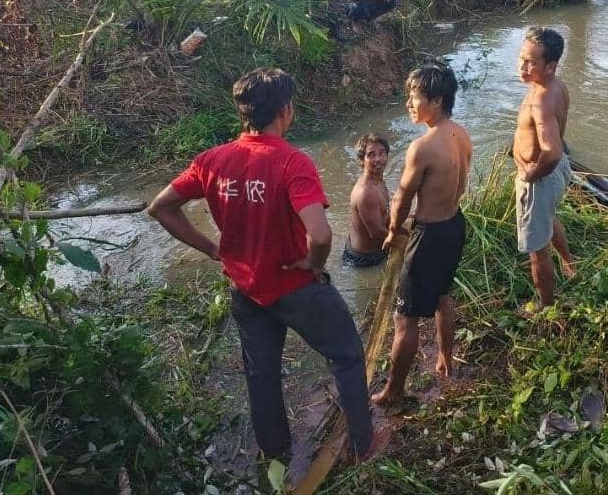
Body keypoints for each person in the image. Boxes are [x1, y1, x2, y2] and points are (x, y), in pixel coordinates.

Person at [147, 68, 376, 463]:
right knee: (347, 355)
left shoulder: (211, 161)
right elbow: (320, 235)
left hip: (246, 289)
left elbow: (160, 208)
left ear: (243, 112)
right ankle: (363, 445)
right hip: (295, 286)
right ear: (286, 110)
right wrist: (313, 263)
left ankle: (275, 454)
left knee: (262, 374)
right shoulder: (292, 163)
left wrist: (212, 249)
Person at [372, 62, 472, 406]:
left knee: (405, 317)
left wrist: (394, 230)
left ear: (438, 100)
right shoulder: (461, 133)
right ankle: (445, 358)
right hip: (454, 225)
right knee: (443, 296)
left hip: (428, 236)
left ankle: (393, 391)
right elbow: (457, 187)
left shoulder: (423, 146)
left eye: (415, 98)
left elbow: (401, 198)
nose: (409, 105)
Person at [512, 26, 576, 309]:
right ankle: (570, 264)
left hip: (542, 177)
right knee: (547, 219)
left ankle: (545, 306)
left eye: (531, 62)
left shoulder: (540, 100)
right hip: (557, 171)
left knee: (537, 251)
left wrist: (530, 175)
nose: (523, 67)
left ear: (550, 66)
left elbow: (551, 152)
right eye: (522, 58)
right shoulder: (555, 85)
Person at [344, 132, 391, 267]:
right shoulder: (366, 193)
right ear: (361, 161)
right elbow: (376, 234)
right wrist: (406, 241)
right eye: (371, 155)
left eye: (382, 153)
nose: (378, 159)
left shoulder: (378, 179)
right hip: (364, 259)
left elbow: (384, 213)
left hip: (366, 247)